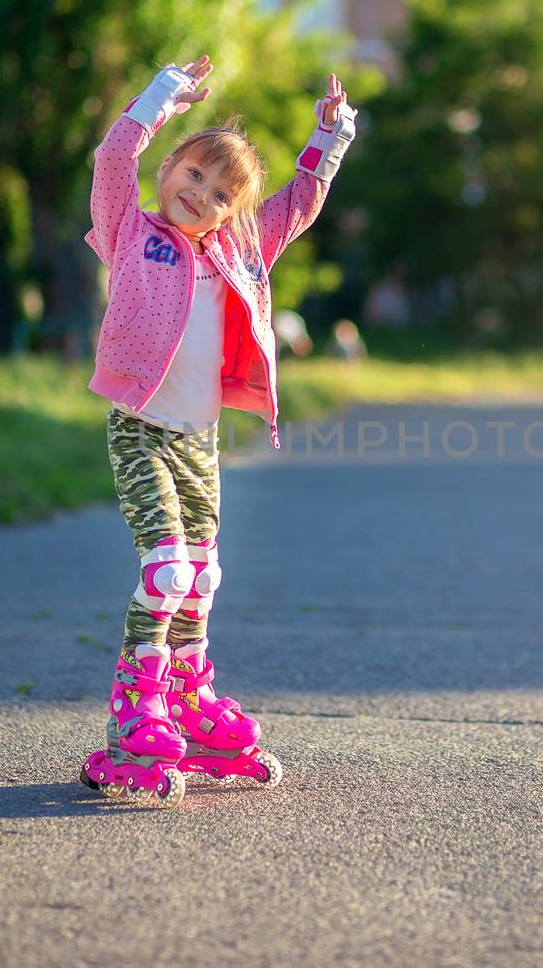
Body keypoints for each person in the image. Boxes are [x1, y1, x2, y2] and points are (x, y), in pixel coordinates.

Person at [77, 55, 356, 806]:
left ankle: (190, 700)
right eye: (193, 176)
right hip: (142, 428)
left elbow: (298, 204)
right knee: (165, 568)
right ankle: (136, 711)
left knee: (202, 576)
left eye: (221, 193)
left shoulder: (237, 249)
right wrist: (160, 96)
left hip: (198, 440)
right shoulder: (129, 230)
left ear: (233, 211)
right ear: (170, 167)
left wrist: (329, 141)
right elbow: (112, 158)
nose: (200, 196)